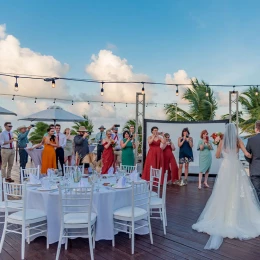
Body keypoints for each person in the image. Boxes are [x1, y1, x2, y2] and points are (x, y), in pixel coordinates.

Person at [192, 123, 260, 250]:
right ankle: (236, 217)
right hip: (236, 167)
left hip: (225, 168)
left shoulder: (222, 141)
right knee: (238, 191)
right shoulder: (238, 140)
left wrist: (221, 148)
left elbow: (217, 155)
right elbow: (247, 154)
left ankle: (222, 216)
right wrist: (254, 156)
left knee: (222, 192)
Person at [245, 120, 260, 200]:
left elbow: (247, 155)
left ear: (256, 129)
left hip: (255, 169)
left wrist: (252, 162)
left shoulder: (251, 140)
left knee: (256, 192)